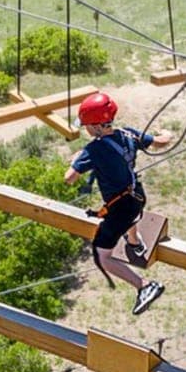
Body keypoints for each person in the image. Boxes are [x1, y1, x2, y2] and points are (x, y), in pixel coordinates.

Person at [64, 92, 172, 315]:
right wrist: (165, 133)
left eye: (86, 125)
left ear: (95, 126)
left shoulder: (93, 150)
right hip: (136, 197)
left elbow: (69, 178)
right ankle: (134, 242)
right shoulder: (128, 133)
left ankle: (144, 286)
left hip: (118, 208)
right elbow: (160, 142)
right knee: (130, 219)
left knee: (103, 257)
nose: (86, 129)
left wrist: (76, 159)